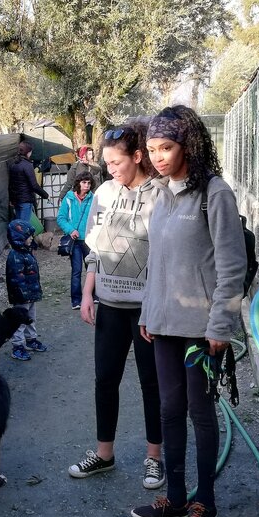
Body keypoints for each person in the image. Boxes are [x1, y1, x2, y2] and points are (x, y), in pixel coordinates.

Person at [131, 106, 247, 517]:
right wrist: (148, 310)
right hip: (163, 325)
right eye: (152, 149)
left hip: (201, 329)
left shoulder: (215, 193)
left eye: (167, 147)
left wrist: (220, 326)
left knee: (200, 412)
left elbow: (232, 266)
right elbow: (157, 262)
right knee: (169, 409)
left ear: (189, 145)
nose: (157, 157)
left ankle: (205, 501)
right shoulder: (160, 193)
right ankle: (176, 498)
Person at [68, 121, 165, 491]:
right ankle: (104, 454)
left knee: (151, 383)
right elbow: (95, 248)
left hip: (146, 310)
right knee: (105, 380)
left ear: (137, 157)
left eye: (116, 163)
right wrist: (87, 293)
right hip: (109, 304)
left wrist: (155, 307)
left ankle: (154, 458)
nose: (110, 170)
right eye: (106, 163)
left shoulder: (160, 194)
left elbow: (166, 254)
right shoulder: (104, 192)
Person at [4, 218, 47, 361]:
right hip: (22, 296)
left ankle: (31, 339)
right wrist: (22, 294)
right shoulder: (15, 256)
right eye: (29, 236)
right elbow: (16, 278)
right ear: (19, 238)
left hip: (31, 294)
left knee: (31, 318)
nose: (32, 238)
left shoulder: (26, 252)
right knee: (20, 321)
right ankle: (17, 346)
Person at [56, 172, 94, 310]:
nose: (86, 185)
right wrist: (71, 230)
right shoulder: (69, 198)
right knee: (76, 271)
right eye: (84, 182)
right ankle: (76, 300)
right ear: (78, 183)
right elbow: (61, 218)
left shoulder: (93, 198)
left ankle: (93, 296)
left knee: (92, 269)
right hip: (75, 240)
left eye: (89, 183)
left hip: (90, 239)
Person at [7, 141, 48, 224]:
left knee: (18, 225)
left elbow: (11, 183)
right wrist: (45, 195)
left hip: (16, 200)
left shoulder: (13, 163)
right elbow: (34, 185)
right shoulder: (27, 165)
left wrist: (11, 199)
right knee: (24, 226)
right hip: (25, 200)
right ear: (28, 152)